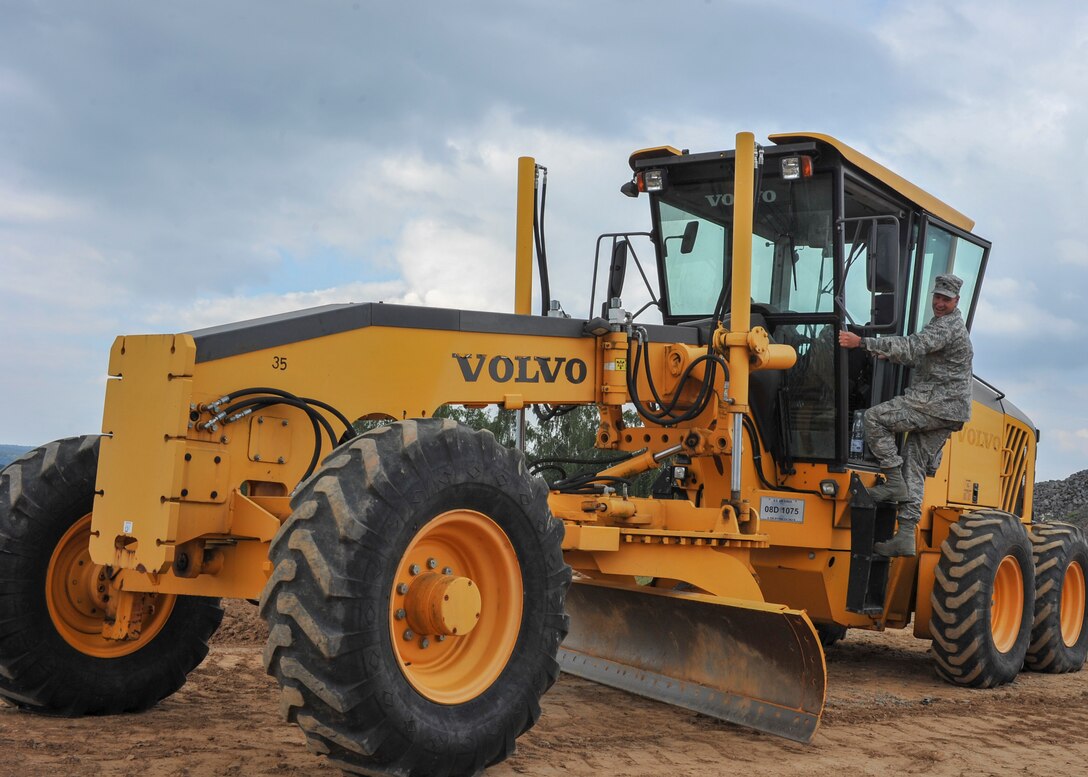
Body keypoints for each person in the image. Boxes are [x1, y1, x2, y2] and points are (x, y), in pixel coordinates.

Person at [837, 273, 973, 557]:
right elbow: (919, 356)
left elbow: (914, 346)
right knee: (914, 460)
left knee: (874, 419)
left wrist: (862, 343)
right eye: (937, 297)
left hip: (937, 404)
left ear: (956, 301)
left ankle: (894, 483)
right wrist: (888, 353)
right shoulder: (944, 325)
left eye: (945, 299)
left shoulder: (947, 327)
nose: (939, 303)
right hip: (950, 408)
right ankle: (907, 534)